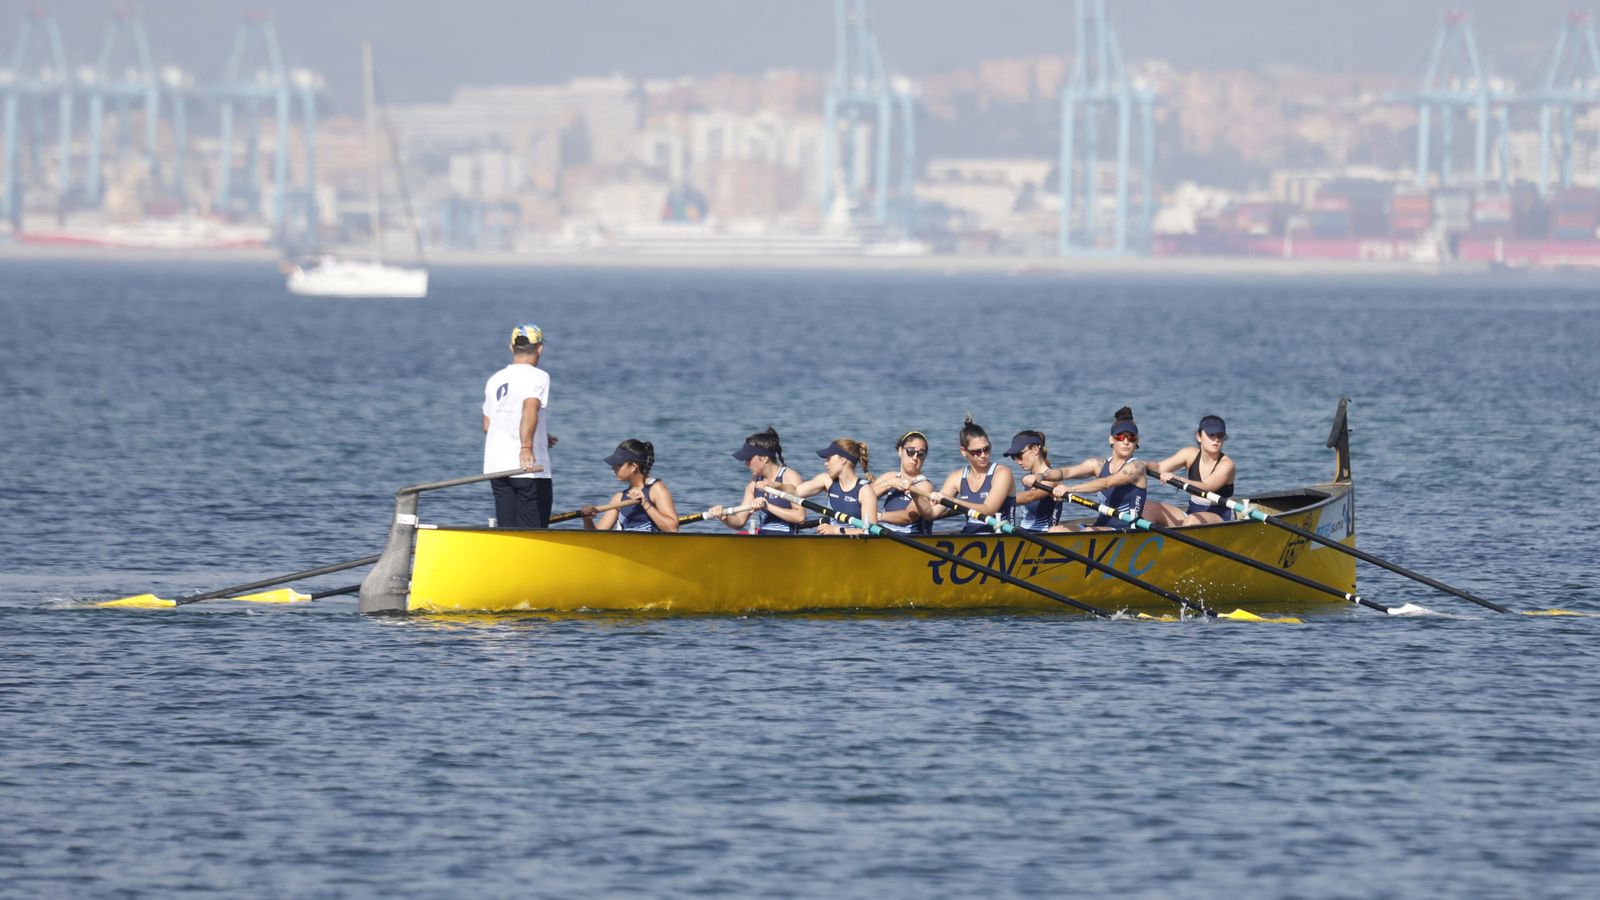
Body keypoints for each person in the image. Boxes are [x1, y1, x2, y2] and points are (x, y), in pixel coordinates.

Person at [482, 323, 556, 527]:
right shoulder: (538, 376)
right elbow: (529, 407)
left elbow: (488, 425)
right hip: (528, 467)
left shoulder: (495, 379)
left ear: (511, 347)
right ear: (539, 349)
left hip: (496, 466)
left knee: (508, 529)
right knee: (533, 531)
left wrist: (541, 434)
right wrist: (526, 447)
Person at [1025, 407, 1147, 531]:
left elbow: (1105, 483)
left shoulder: (1136, 467)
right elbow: (1068, 472)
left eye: (1131, 438)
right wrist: (1041, 476)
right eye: (1120, 437)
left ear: (1136, 441)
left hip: (1127, 529)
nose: (1126, 442)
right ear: (1111, 439)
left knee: (1089, 531)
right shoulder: (1098, 464)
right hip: (1101, 526)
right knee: (1055, 530)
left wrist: (1070, 489)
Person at [1142, 414, 1236, 526]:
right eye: (1211, 435)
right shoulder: (1189, 454)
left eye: (1220, 436)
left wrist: (1178, 479)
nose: (1216, 440)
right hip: (1192, 514)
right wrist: (1139, 464)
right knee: (1148, 507)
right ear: (1199, 437)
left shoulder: (1227, 464)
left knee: (1192, 520)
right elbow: (1159, 467)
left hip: (1221, 517)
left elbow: (1206, 487)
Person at [710, 427, 805, 534]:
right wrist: (724, 517)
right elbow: (740, 521)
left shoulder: (789, 476)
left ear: (764, 458)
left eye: (749, 459)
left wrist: (768, 506)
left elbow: (800, 517)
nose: (746, 464)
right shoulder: (753, 483)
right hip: (764, 541)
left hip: (788, 540)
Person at [929, 416, 1014, 532]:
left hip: (1000, 537)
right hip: (970, 535)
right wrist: (915, 496)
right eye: (977, 452)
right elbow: (932, 514)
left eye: (986, 449)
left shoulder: (1002, 473)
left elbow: (988, 510)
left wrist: (952, 500)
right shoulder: (956, 478)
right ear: (963, 451)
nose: (983, 455)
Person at [579, 439, 680, 533]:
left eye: (618, 464)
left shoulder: (656, 489)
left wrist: (645, 503)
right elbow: (596, 537)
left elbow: (672, 529)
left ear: (633, 466)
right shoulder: (618, 498)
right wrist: (587, 520)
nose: (613, 467)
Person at [786, 439, 878, 534]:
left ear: (843, 460)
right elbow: (796, 492)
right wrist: (775, 485)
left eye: (829, 459)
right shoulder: (827, 481)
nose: (825, 463)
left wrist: (837, 530)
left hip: (857, 545)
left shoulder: (865, 491)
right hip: (834, 542)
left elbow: (869, 531)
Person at [872, 430, 936, 535]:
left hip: (912, 538)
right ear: (900, 451)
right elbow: (864, 497)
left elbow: (907, 517)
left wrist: (876, 516)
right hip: (885, 534)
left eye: (921, 454)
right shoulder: (890, 476)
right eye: (910, 451)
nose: (915, 458)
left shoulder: (924, 485)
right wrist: (889, 483)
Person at [1001, 430, 1060, 532]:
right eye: (1013, 457)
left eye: (1019, 455)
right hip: (1025, 531)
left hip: (1044, 535)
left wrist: (996, 500)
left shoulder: (1051, 480)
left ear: (1035, 449)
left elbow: (1030, 497)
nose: (1017, 461)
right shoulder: (1028, 478)